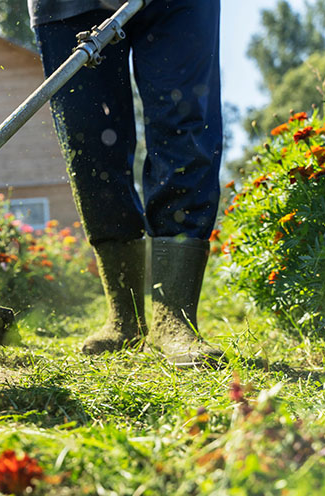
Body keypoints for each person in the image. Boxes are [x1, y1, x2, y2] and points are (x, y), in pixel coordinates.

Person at [28, 0, 224, 365]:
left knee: (183, 123)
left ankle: (173, 318)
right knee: (89, 141)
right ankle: (124, 316)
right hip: (67, 7)